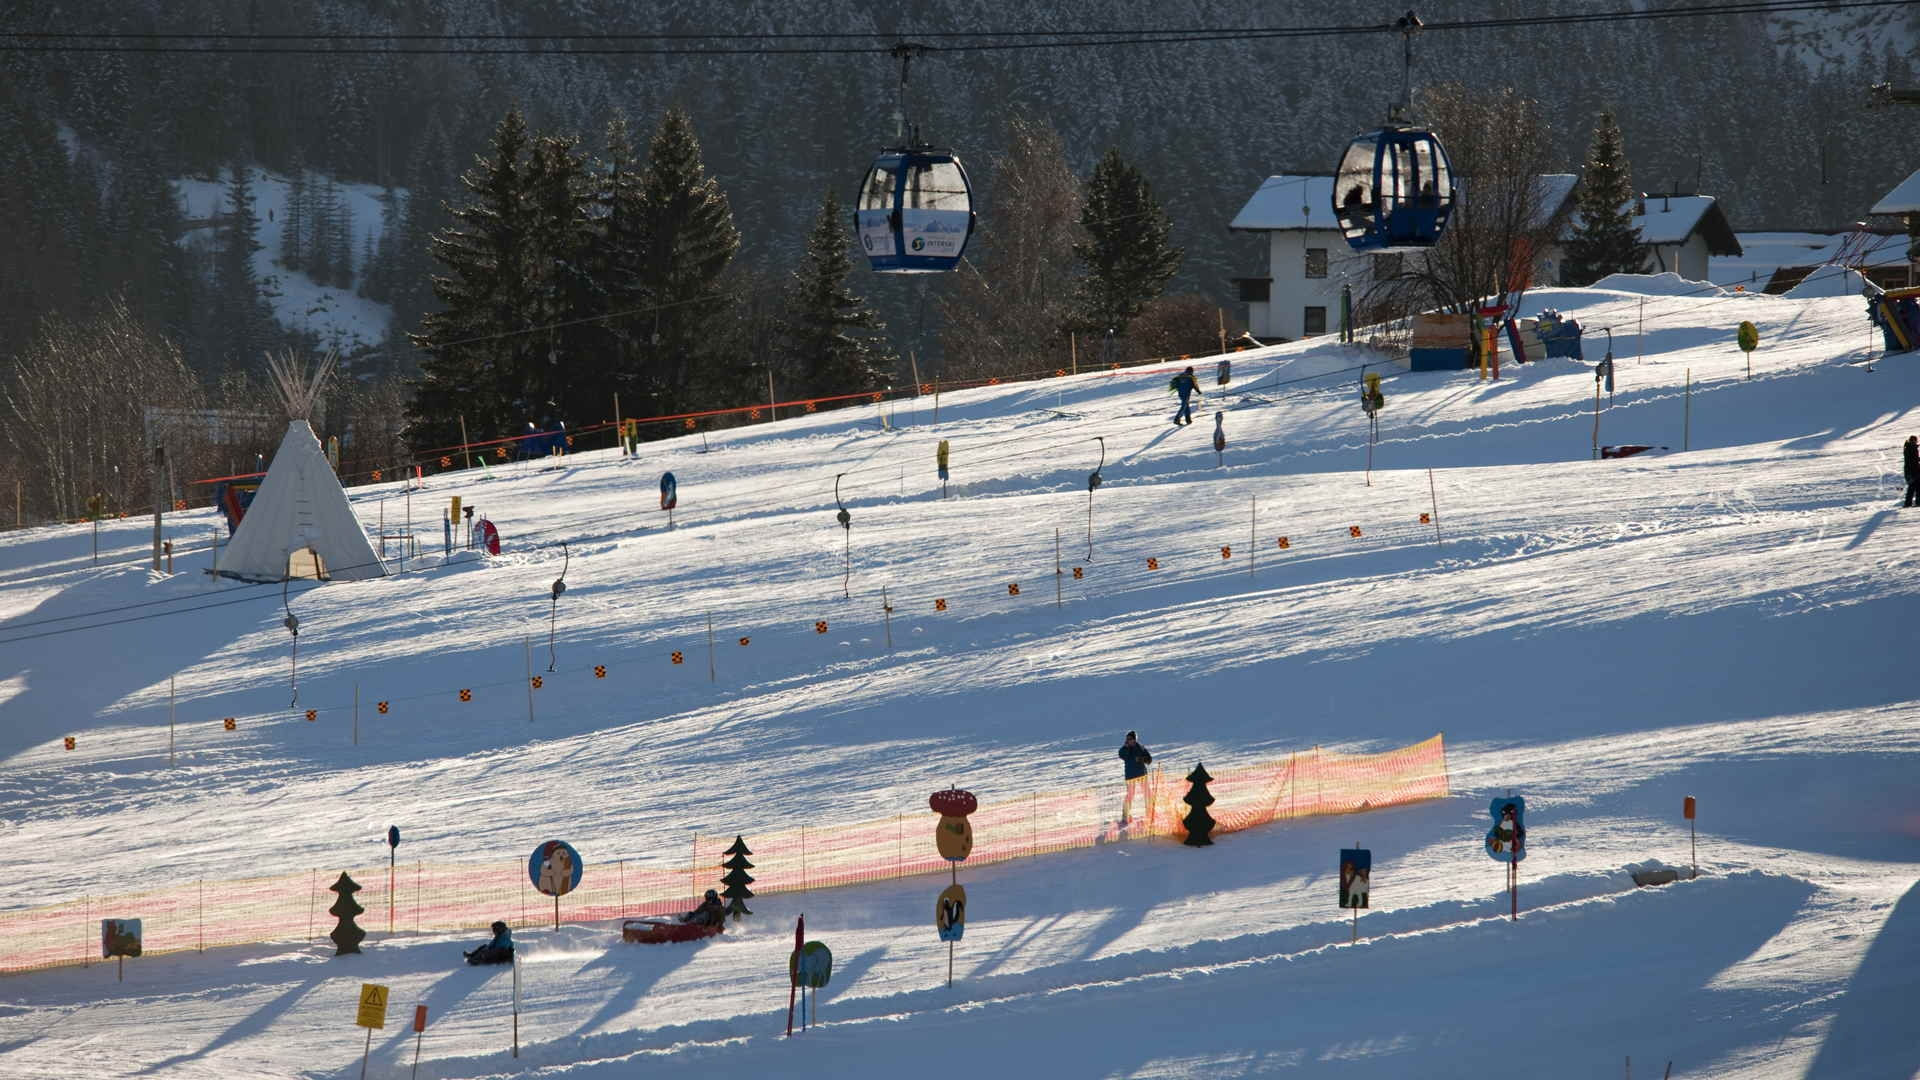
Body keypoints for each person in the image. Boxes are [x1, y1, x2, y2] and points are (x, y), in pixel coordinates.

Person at [1118, 730, 1152, 824]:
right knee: (1130, 795)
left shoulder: (1140, 747)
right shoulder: (1124, 748)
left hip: (1142, 775)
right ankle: (1125, 816)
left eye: (1131, 739)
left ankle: (1149, 812)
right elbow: (1121, 755)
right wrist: (1127, 747)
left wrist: (1142, 759)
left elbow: (1149, 760)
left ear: (1135, 740)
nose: (1129, 740)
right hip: (1130, 776)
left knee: (1147, 793)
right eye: (1127, 739)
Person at [1903, 435, 1918, 508]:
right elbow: (1911, 460)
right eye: (1914, 441)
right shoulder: (1911, 448)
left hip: (1912, 470)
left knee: (1914, 487)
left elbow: (1913, 459)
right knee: (1913, 487)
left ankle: (1909, 503)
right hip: (1912, 471)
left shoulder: (1910, 447)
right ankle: (1910, 503)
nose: (1915, 442)